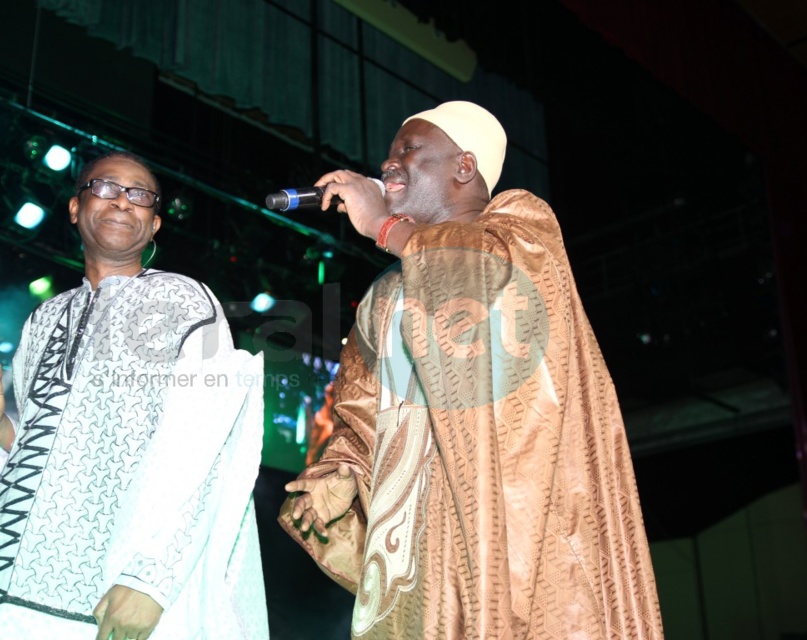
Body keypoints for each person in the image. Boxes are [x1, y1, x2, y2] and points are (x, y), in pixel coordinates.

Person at [279, 102, 664, 639]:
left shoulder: (521, 230)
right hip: (410, 553)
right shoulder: (384, 294)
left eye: (408, 150)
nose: (388, 164)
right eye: (388, 154)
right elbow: (361, 413)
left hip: (503, 529)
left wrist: (383, 225)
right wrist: (343, 470)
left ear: (464, 167)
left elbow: (476, 283)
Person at [0, 151, 269, 640]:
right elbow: (48, 452)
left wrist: (151, 580)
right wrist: (1, 428)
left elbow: (209, 449)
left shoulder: (183, 300)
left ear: (155, 224)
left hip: (105, 602)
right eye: (106, 187)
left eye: (139, 195)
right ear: (75, 208)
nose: (122, 200)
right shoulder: (43, 319)